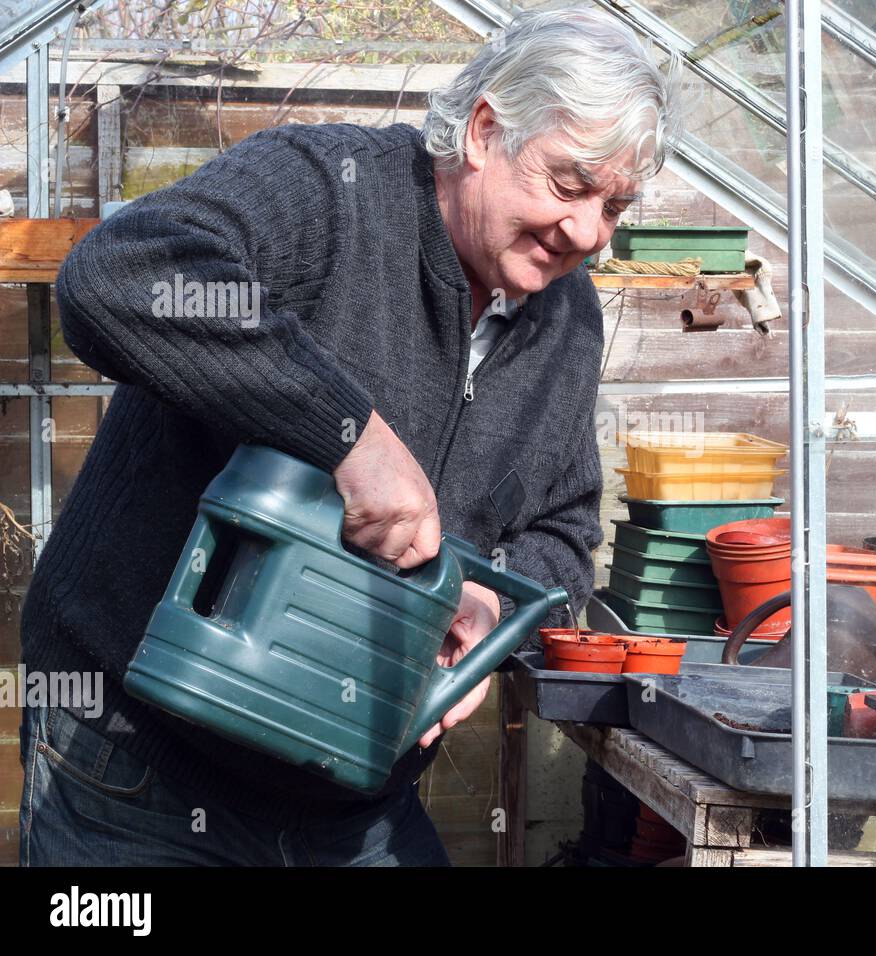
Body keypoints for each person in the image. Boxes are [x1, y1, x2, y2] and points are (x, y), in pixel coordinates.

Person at [18, 7, 682, 866]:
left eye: (615, 206)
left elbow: (561, 525)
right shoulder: (329, 193)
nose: (588, 233)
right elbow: (120, 276)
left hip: (352, 791)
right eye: (569, 186)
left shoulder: (566, 318)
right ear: (484, 132)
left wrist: (489, 601)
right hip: (138, 771)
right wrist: (348, 434)